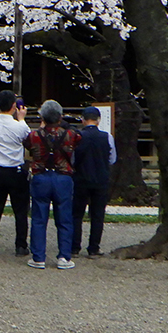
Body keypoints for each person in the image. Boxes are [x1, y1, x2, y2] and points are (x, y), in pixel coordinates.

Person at [23, 100, 81, 270]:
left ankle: (38, 257)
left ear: (42, 117)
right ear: (60, 116)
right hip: (63, 177)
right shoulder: (71, 135)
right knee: (64, 218)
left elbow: (27, 146)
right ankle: (64, 256)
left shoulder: (34, 135)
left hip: (41, 177)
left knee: (39, 219)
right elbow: (78, 140)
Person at [0, 91, 31, 257]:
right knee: (20, 210)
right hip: (15, 171)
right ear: (14, 107)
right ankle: (21, 245)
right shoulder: (20, 126)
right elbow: (27, 136)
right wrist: (21, 117)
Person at [71, 106, 117, 258]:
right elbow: (112, 159)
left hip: (81, 179)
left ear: (83, 120)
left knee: (77, 214)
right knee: (97, 215)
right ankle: (93, 248)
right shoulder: (107, 137)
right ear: (98, 120)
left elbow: (73, 159)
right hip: (100, 179)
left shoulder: (77, 137)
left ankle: (74, 247)